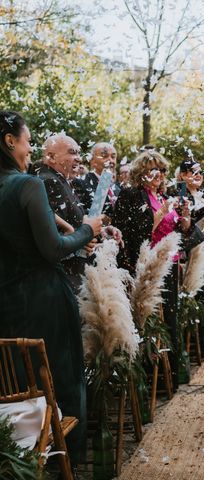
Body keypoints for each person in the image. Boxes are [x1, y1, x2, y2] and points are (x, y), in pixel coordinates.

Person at [0, 111, 103, 464]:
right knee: (60, 380)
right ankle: (65, 461)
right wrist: (88, 229)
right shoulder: (27, 185)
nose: (29, 150)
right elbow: (54, 250)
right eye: (28, 141)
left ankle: (20, 458)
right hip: (43, 301)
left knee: (13, 385)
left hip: (5, 304)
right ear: (9, 141)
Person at [112, 149, 193, 389]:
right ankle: (152, 378)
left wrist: (184, 217)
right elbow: (134, 233)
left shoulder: (163, 195)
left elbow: (180, 232)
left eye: (162, 170)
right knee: (153, 320)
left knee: (171, 318)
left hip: (171, 263)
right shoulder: (131, 195)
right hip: (147, 266)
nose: (159, 174)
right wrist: (161, 213)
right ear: (141, 173)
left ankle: (173, 375)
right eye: (152, 170)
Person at [38, 133, 97, 291]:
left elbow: (75, 221)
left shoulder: (62, 180)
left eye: (79, 153)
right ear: (51, 156)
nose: (78, 158)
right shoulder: (49, 181)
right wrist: (85, 235)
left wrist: (97, 231)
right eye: (72, 152)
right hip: (62, 277)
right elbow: (55, 237)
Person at [73, 142, 118, 213]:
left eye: (113, 157)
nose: (110, 161)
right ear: (92, 161)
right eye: (104, 156)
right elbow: (79, 212)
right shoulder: (81, 183)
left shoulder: (117, 187)